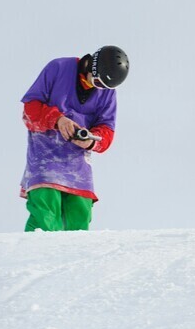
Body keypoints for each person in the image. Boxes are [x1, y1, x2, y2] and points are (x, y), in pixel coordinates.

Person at [19, 45, 129, 231]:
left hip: (78, 166)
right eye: (98, 82)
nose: (99, 88)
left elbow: (107, 131)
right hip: (45, 161)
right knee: (45, 216)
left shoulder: (107, 92)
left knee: (80, 218)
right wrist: (57, 119)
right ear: (91, 66)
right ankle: (37, 249)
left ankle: (74, 251)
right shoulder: (58, 68)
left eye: (105, 86)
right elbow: (30, 109)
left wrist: (91, 140)